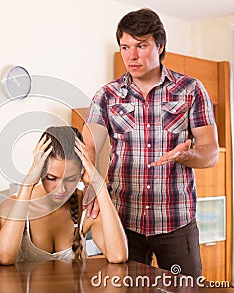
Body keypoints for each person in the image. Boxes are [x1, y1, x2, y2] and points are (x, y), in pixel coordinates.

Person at [83, 8, 219, 277]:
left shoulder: (190, 90)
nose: (131, 56)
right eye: (125, 47)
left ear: (160, 45)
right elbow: (89, 150)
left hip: (176, 223)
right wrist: (92, 186)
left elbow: (210, 152)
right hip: (123, 223)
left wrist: (186, 155)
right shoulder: (107, 96)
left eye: (141, 45)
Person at [0, 126, 128, 264]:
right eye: (52, 178)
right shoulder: (11, 206)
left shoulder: (88, 206)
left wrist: (98, 182)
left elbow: (118, 256)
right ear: (39, 172)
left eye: (71, 179)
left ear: (82, 173)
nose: (61, 189)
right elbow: (4, 258)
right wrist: (27, 185)